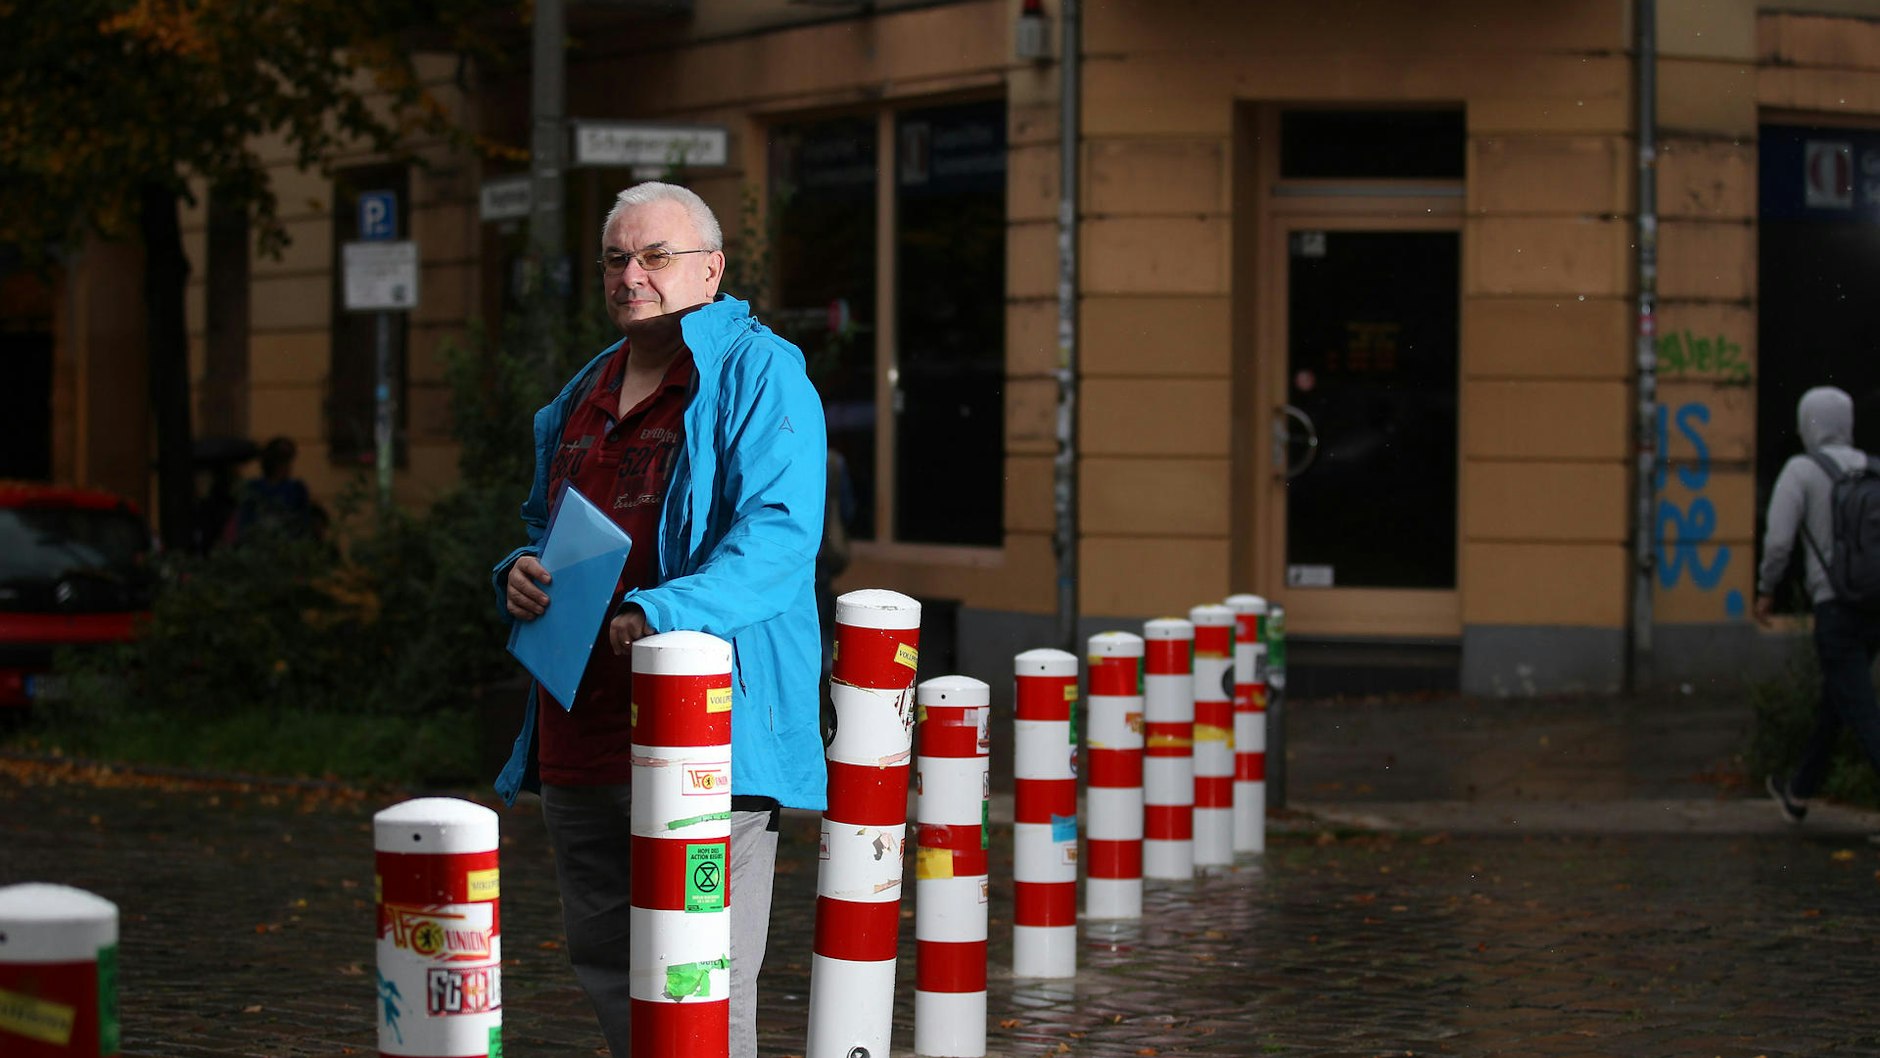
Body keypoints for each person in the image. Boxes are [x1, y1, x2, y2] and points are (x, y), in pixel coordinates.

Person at [491, 181, 827, 1058]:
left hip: (702, 734)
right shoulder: (582, 391)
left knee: (698, 977)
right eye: (615, 258)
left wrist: (664, 609)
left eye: (655, 256)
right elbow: (545, 524)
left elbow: (782, 536)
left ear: (710, 271)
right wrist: (518, 575)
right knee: (608, 964)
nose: (631, 274)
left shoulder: (760, 370)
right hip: (581, 728)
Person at [1756, 385, 1880, 823]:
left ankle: (1801, 791)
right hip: (1874, 605)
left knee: (1862, 711)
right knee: (1840, 700)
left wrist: (1766, 588)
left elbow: (1778, 541)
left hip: (1835, 608)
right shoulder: (1871, 468)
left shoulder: (1801, 470)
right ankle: (1799, 793)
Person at [234, 436, 314, 540]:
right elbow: (246, 522)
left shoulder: (297, 488)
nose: (288, 466)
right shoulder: (254, 488)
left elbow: (303, 521)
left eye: (288, 461)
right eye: (283, 461)